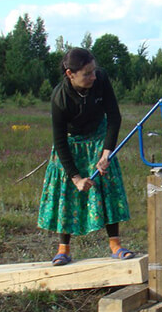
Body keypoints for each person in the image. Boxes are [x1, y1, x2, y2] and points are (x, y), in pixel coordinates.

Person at [37, 48, 133, 265]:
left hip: (99, 138)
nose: (93, 76)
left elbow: (114, 117)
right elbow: (59, 141)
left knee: (107, 183)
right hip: (71, 144)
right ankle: (64, 249)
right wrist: (76, 178)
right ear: (70, 74)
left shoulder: (101, 79)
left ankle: (115, 244)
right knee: (67, 192)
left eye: (94, 71)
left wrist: (106, 153)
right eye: (87, 74)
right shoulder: (59, 98)